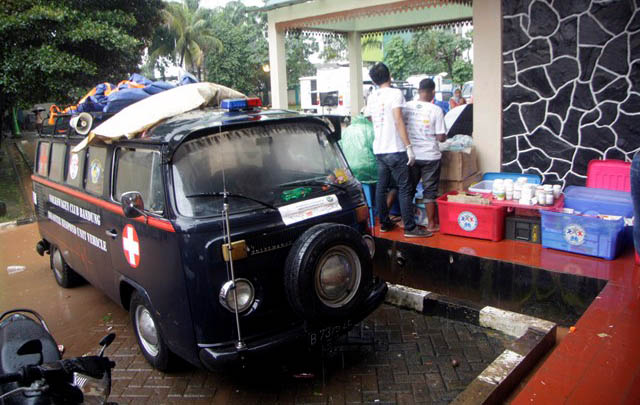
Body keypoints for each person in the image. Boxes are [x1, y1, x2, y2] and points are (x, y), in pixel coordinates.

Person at [364, 62, 430, 238]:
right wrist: (409, 147)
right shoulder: (395, 93)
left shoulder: (372, 96)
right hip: (395, 148)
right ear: (389, 75)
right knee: (405, 187)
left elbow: (370, 117)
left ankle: (384, 223)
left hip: (380, 149)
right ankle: (410, 228)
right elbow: (398, 120)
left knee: (381, 187)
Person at [403, 78, 446, 233]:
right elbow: (441, 137)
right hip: (430, 156)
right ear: (432, 92)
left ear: (419, 91)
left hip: (411, 154)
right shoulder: (436, 110)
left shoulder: (407, 107)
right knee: (429, 191)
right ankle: (431, 224)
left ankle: (406, 221)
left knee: (409, 189)